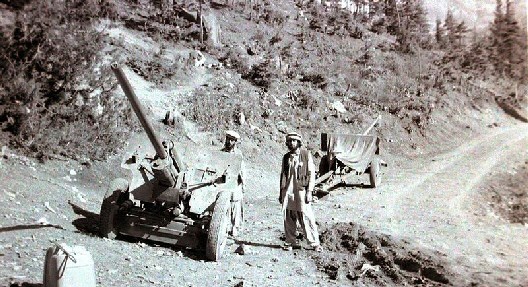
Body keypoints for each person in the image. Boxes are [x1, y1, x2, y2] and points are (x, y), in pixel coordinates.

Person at [279, 132, 322, 252]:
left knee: (306, 217)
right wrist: (281, 193)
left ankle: (314, 243)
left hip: (301, 191)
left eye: (294, 141)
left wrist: (310, 191)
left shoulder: (305, 155)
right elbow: (282, 174)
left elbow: (311, 174)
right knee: (288, 217)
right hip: (288, 192)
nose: (292, 143)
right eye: (290, 141)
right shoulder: (286, 157)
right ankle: (290, 241)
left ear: (298, 142)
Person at [221, 130, 245, 237]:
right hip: (223, 182)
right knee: (224, 203)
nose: (229, 142)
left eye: (232, 140)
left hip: (235, 182)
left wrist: (243, 183)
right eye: (228, 139)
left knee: (235, 203)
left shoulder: (238, 154)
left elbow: (242, 170)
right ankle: (224, 226)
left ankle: (235, 227)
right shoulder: (221, 152)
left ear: (235, 142)